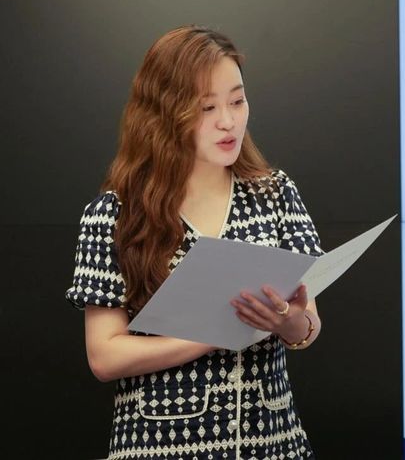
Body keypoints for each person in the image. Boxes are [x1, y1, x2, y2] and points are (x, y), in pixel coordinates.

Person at [65, 25, 323, 460]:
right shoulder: (115, 213)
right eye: (207, 107)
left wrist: (290, 323)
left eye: (237, 101)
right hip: (159, 445)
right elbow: (104, 356)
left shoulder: (275, 193)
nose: (228, 121)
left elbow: (307, 325)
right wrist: (210, 336)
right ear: (163, 113)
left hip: (272, 443)